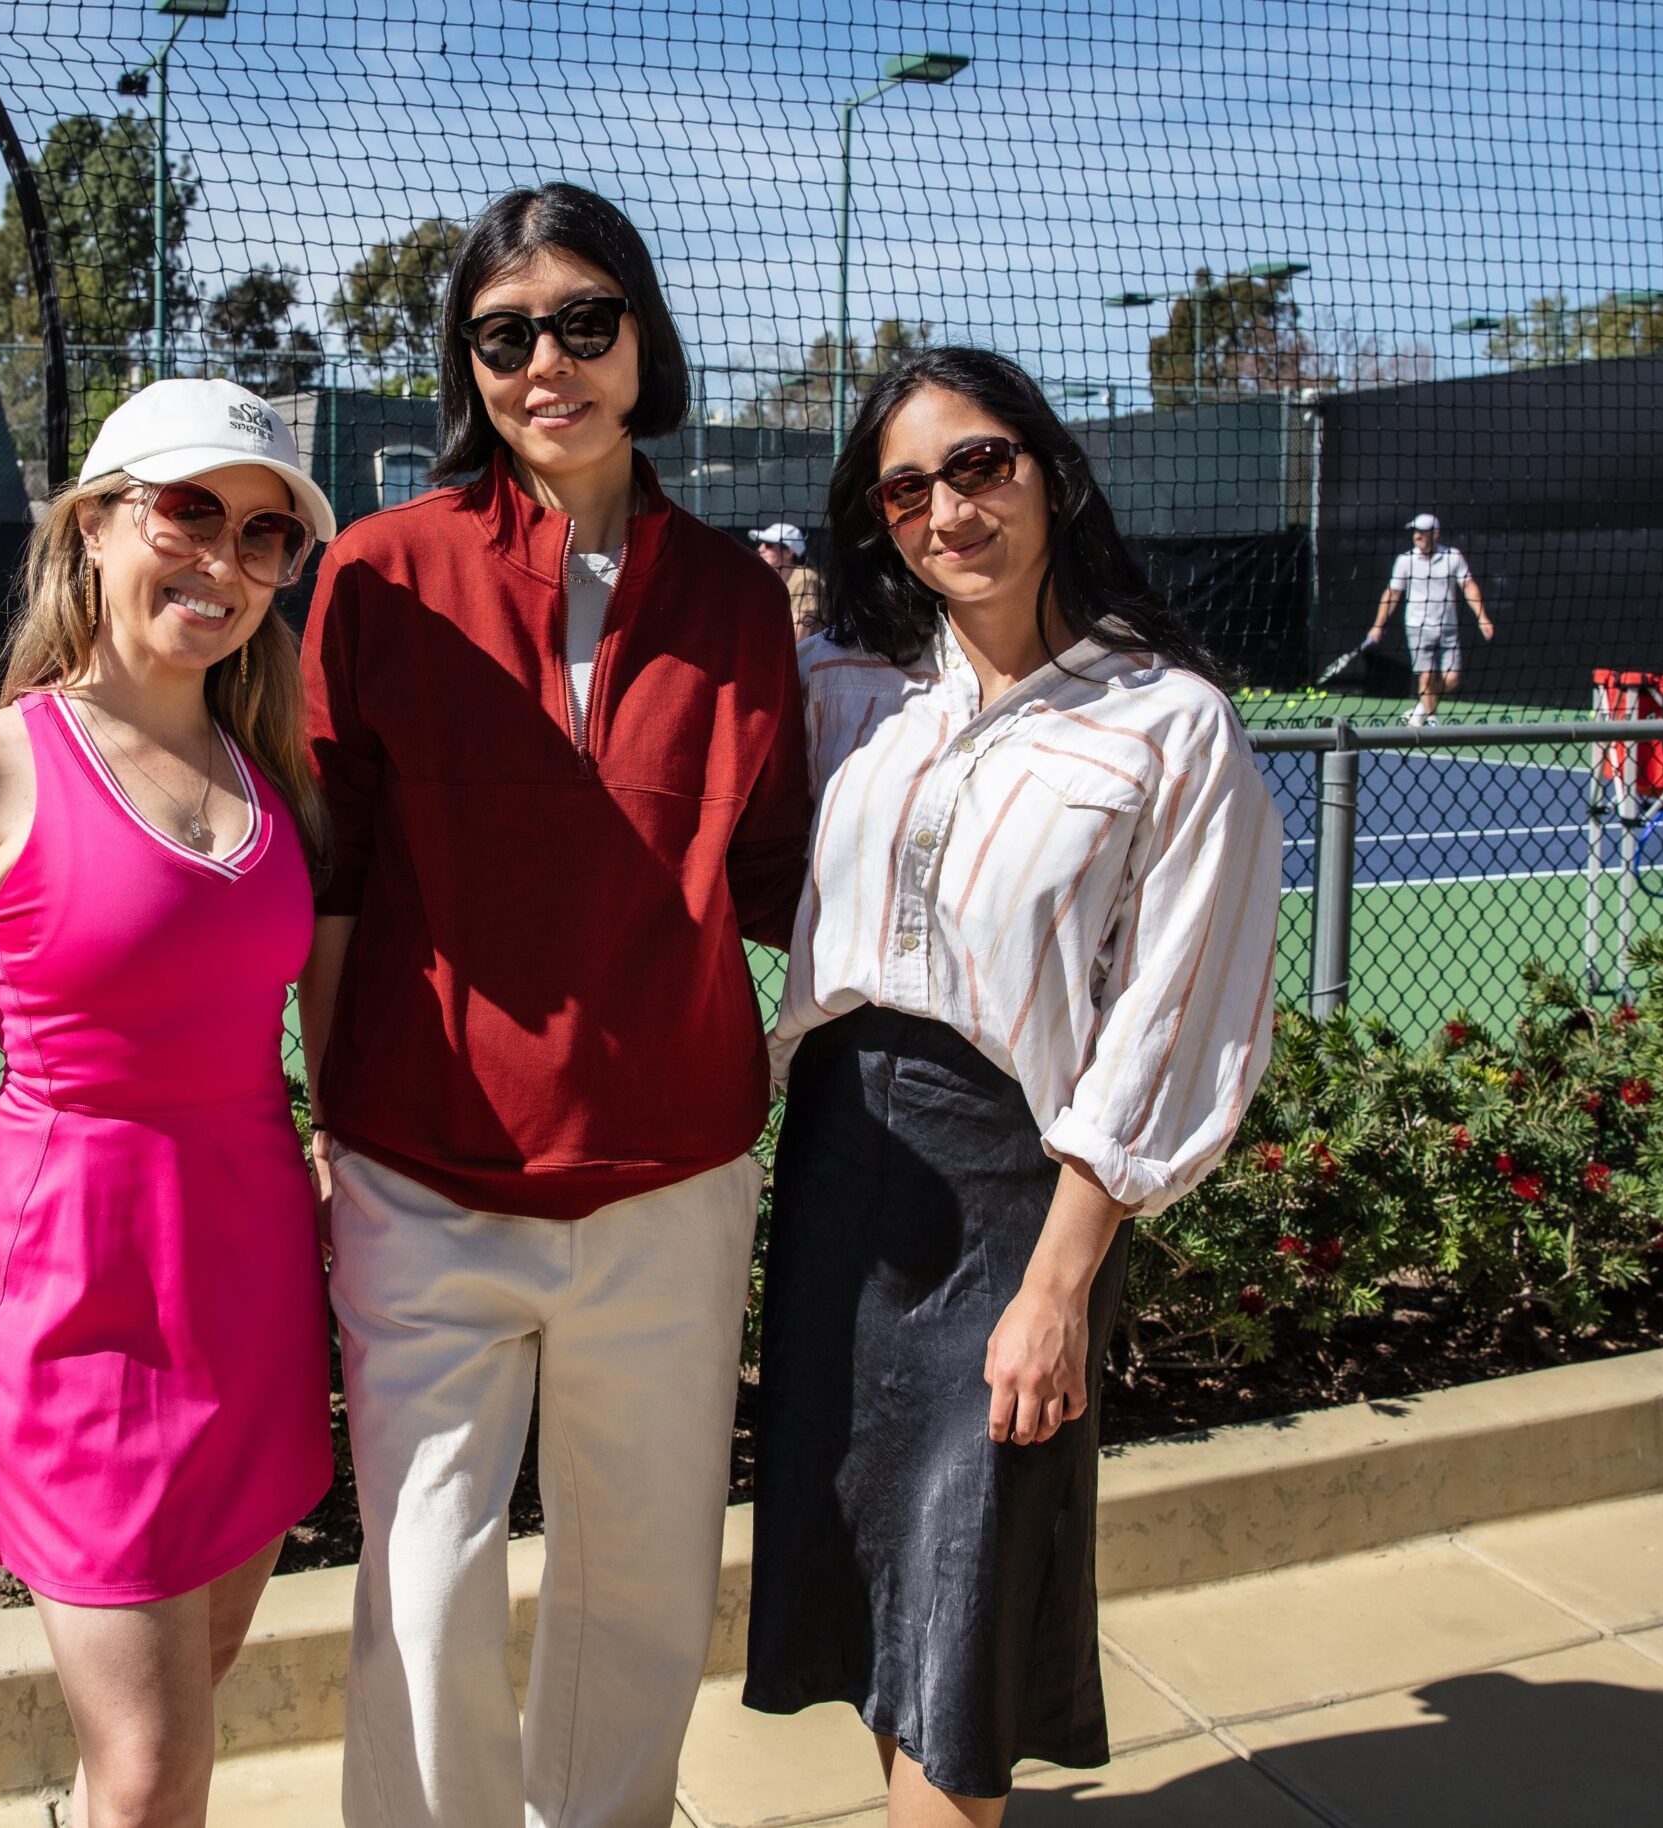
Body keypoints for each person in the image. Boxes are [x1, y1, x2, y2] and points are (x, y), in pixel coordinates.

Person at [299, 183, 810, 1828]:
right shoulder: (376, 574)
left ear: (643, 341)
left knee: (642, 1582)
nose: (549, 362)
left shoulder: (740, 595)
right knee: (427, 1583)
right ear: (470, 362)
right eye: (507, 334)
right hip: (423, 1175)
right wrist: (328, 1111)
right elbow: (336, 877)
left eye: (586, 321)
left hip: (673, 1176)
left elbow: (783, 869)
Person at [748, 347, 1280, 1825]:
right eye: (906, 486)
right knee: (878, 1592)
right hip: (841, 1170)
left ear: (1048, 470)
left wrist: (1060, 1283)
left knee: (964, 1594)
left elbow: (1177, 1018)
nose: (947, 509)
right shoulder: (849, 695)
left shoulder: (1171, 725)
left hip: (1016, 1198)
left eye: (979, 465)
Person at [0, 378, 337, 1828]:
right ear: (95, 525)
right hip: (73, 1302)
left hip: (250, 1288)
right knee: (154, 1766)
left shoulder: (271, 778)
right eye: (190, 513)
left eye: (265, 538)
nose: (225, 562)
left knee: (201, 1673)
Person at [1363, 511, 1491, 725]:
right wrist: (1378, 625)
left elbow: (1468, 586)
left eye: (1423, 532)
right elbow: (1392, 594)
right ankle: (1432, 720)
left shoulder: (1453, 557)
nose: (1418, 536)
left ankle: (1421, 709)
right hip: (1417, 627)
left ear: (1436, 534)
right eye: (1415, 532)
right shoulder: (1405, 561)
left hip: (1448, 628)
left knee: (1452, 679)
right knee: (1427, 675)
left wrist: (1482, 617)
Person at [753, 520, 825, 631]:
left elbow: (799, 636)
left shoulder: (804, 578)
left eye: (768, 544)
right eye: (761, 544)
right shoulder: (769, 582)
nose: (760, 549)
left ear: (789, 552)